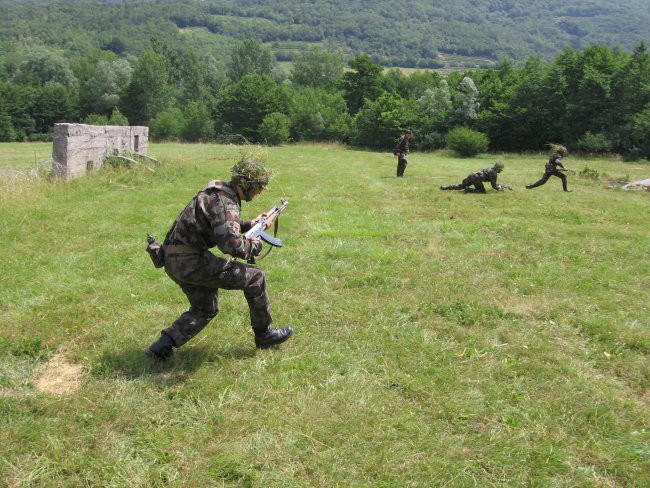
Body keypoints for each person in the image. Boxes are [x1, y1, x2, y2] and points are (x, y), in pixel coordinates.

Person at [147, 157, 293, 360]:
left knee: (205, 308)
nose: (260, 192)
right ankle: (264, 334)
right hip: (190, 262)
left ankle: (161, 347)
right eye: (259, 187)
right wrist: (256, 244)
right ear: (247, 185)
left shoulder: (217, 194)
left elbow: (220, 224)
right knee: (255, 278)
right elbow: (232, 246)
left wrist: (250, 224)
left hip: (174, 259)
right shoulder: (226, 203)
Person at [439, 161, 508, 193]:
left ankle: (445, 187)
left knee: (461, 185)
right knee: (482, 192)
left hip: (473, 175)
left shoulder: (490, 169)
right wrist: (500, 188)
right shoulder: (494, 173)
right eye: (501, 169)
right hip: (477, 178)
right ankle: (468, 189)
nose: (501, 171)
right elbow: (494, 186)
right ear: (498, 168)